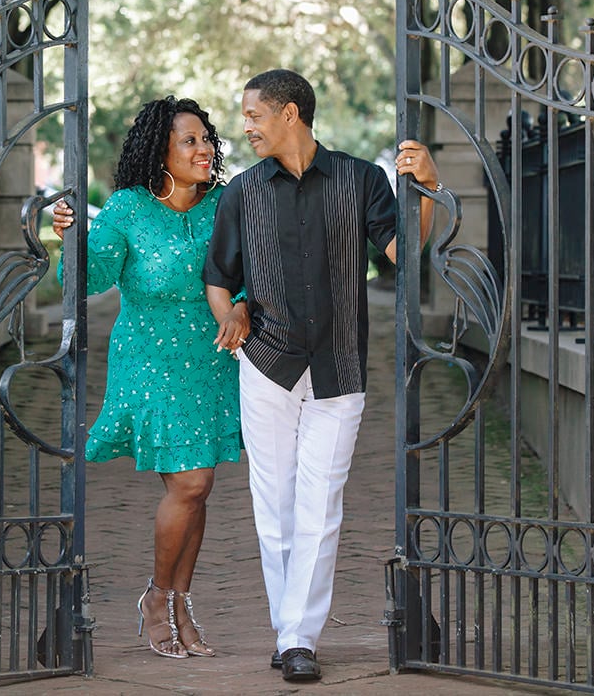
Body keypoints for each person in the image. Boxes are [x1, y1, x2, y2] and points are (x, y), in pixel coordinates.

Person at [203, 68, 439, 682]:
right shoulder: (243, 191)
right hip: (265, 363)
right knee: (273, 502)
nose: (245, 127)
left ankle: (298, 635)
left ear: (290, 115)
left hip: (341, 364)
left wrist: (429, 188)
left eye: (253, 115)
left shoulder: (361, 180)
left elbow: (402, 254)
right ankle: (292, 631)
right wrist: (230, 313)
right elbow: (218, 275)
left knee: (321, 502)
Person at [50, 95, 244, 660]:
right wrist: (71, 238)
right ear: (160, 152)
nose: (204, 149)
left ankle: (181, 600)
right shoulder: (129, 208)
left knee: (200, 486)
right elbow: (90, 277)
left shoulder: (225, 204)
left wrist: (245, 307)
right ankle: (158, 598)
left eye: (207, 138)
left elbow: (253, 271)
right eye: (190, 141)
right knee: (189, 484)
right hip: (151, 359)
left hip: (212, 358)